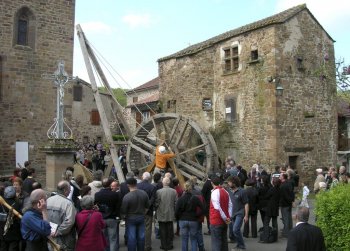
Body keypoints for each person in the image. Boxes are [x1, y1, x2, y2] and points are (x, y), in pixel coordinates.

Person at [121, 177, 150, 251]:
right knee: (141, 237)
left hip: (130, 218)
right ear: (136, 183)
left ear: (128, 185)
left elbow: (124, 211)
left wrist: (124, 217)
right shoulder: (144, 193)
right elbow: (147, 206)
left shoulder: (127, 197)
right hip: (141, 217)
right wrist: (143, 213)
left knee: (131, 238)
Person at [47, 181, 77, 251]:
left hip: (50, 237)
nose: (70, 191)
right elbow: (69, 221)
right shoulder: (68, 204)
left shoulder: (48, 200)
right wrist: (58, 232)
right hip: (64, 240)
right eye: (69, 189)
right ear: (65, 190)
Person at [175, 181, 204, 251]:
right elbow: (203, 208)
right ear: (191, 189)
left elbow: (176, 211)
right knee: (193, 239)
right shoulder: (195, 198)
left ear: (184, 189)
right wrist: (197, 215)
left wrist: (178, 218)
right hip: (193, 220)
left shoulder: (180, 199)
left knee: (184, 239)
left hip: (183, 219)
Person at [95, 178, 121, 251]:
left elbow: (96, 206)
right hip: (112, 218)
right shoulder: (115, 194)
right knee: (113, 239)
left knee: (104, 238)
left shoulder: (97, 195)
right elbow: (118, 207)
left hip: (102, 218)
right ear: (110, 184)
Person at [209, 176, 232, 251]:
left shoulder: (214, 192)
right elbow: (230, 205)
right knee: (224, 241)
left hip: (216, 221)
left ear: (212, 183)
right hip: (224, 221)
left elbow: (217, 208)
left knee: (216, 242)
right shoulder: (225, 191)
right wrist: (229, 216)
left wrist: (225, 217)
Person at [226, 176, 249, 250]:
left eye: (229, 182)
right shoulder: (228, 191)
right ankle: (237, 243)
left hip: (239, 213)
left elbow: (246, 204)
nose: (228, 184)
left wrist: (246, 216)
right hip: (231, 215)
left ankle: (241, 246)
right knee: (232, 230)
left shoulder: (242, 191)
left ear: (234, 183)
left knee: (235, 229)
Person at [155, 177, 177, 251]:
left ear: (163, 183)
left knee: (162, 230)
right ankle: (169, 245)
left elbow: (157, 203)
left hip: (161, 213)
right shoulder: (174, 191)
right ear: (169, 182)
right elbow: (176, 203)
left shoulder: (158, 192)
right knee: (170, 229)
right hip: (170, 213)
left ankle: (163, 245)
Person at [137, 172, 156, 251]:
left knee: (139, 228)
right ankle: (147, 246)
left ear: (142, 177)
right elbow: (153, 199)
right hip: (148, 211)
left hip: (138, 210)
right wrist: (147, 207)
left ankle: (139, 245)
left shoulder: (137, 186)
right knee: (148, 229)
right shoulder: (152, 187)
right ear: (149, 178)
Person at [0, 186, 22, 251]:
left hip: (2, 232)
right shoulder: (17, 204)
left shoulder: (1, 203)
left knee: (3, 248)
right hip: (13, 232)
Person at [260, 178, 280, 243]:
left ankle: (266, 238)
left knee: (266, 223)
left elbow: (266, 196)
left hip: (270, 208)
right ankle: (275, 237)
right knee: (274, 223)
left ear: (273, 183)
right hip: (275, 207)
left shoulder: (272, 189)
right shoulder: (279, 189)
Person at [280, 173, 294, 238]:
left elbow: (285, 196)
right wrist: (292, 201)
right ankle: (290, 230)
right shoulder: (289, 183)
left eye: (280, 176)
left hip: (284, 204)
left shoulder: (283, 186)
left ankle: (286, 233)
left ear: (283, 177)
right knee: (289, 217)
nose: (279, 177)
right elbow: (292, 192)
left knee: (285, 218)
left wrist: (289, 201)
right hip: (288, 203)